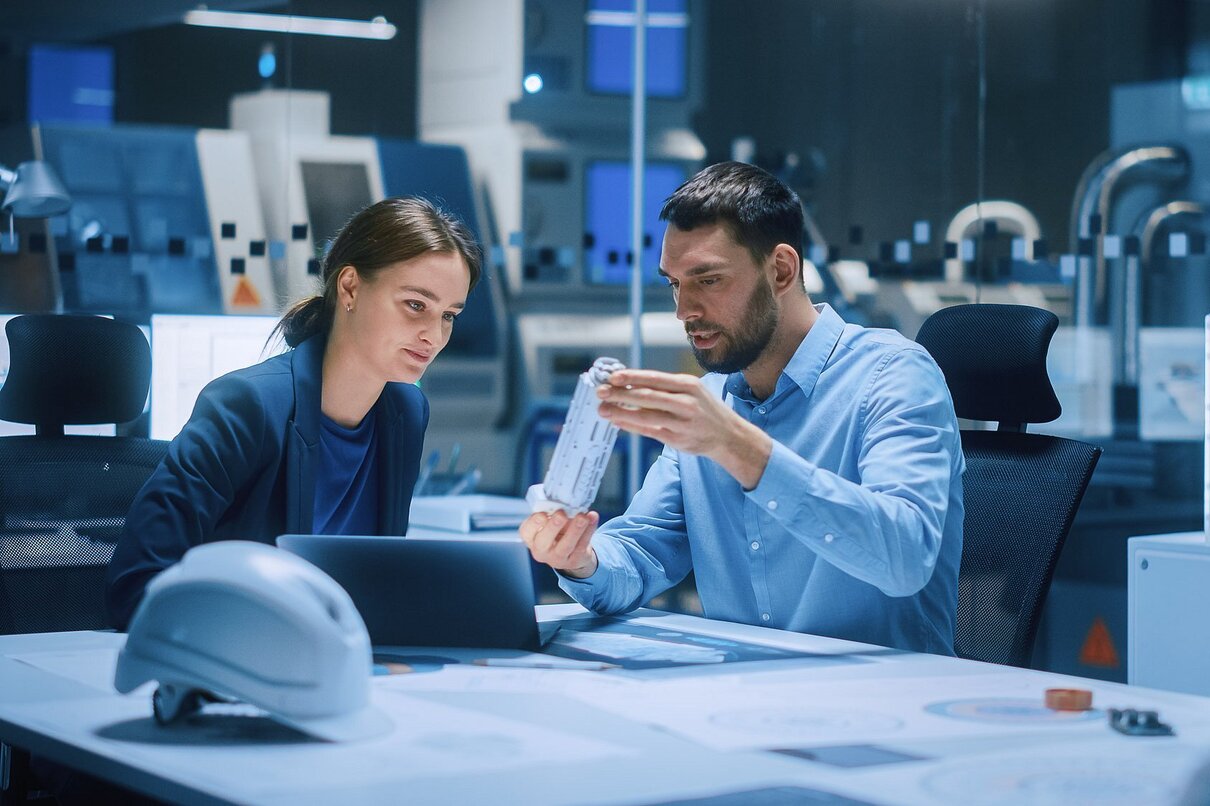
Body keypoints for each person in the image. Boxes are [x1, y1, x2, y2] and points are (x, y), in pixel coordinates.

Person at [520, 162, 964, 655]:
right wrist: (580, 558)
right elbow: (640, 553)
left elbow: (905, 556)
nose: (683, 310)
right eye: (674, 283)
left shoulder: (895, 374)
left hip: (886, 701)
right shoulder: (711, 401)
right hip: (741, 696)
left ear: (780, 270)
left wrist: (736, 446)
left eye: (707, 281)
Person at [106, 196, 481, 630]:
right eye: (416, 305)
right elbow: (138, 586)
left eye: (449, 316)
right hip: (235, 660)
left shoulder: (405, 412)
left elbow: (376, 579)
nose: (433, 335)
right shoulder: (247, 405)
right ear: (350, 288)